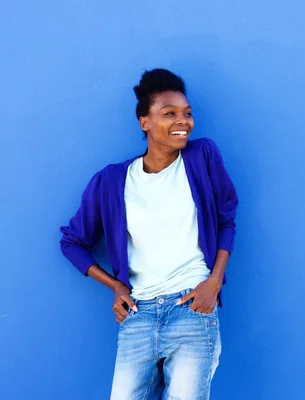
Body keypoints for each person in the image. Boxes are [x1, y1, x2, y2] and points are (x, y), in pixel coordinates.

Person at [59, 68, 238, 400]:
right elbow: (72, 242)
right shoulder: (113, 180)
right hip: (138, 315)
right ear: (145, 122)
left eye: (187, 113)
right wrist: (115, 286)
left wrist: (214, 282)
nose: (183, 121)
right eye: (169, 113)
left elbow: (226, 219)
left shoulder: (202, 157)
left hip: (192, 309)